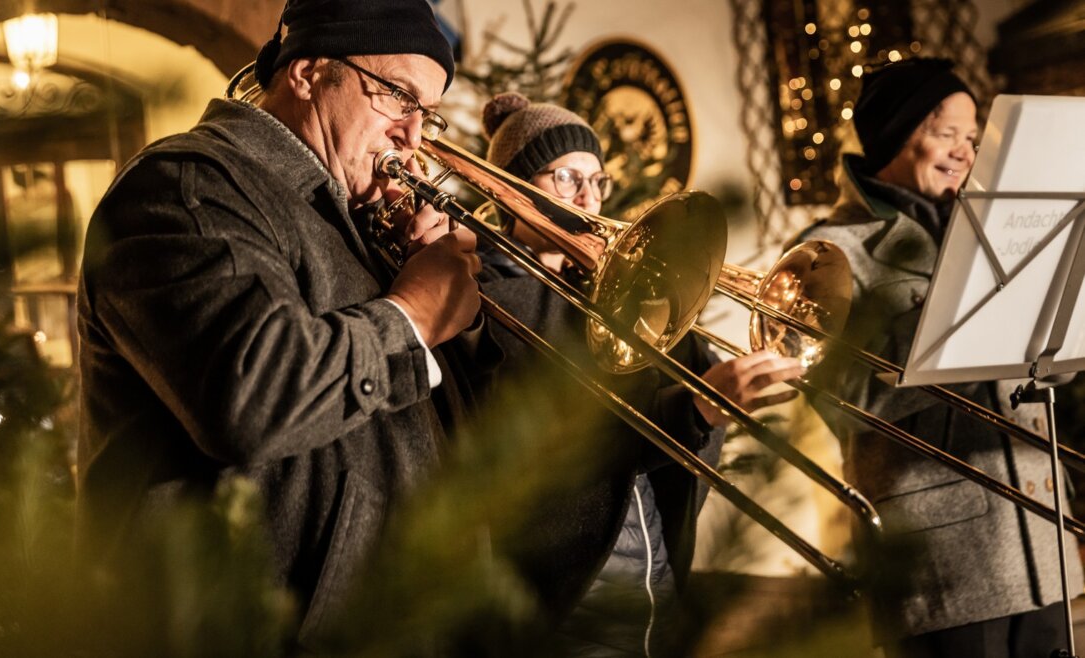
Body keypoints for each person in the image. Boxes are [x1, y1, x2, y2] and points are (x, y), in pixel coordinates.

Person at [75, 0, 484, 648]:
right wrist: (408, 316)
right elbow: (249, 395)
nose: (414, 135)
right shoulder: (184, 185)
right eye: (398, 96)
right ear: (310, 72)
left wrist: (440, 306)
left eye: (426, 113)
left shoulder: (348, 216)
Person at [477, 92, 807, 657]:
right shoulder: (487, 297)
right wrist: (699, 407)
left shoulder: (603, 296)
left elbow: (675, 429)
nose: (589, 199)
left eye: (598, 180)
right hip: (569, 599)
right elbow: (564, 446)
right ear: (513, 190)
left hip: (655, 579)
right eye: (566, 179)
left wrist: (688, 327)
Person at [796, 57, 1083, 657]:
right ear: (896, 135)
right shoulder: (828, 250)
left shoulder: (1000, 228)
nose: (964, 152)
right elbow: (841, 400)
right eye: (945, 132)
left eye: (972, 137)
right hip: (943, 567)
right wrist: (958, 329)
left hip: (1041, 540)